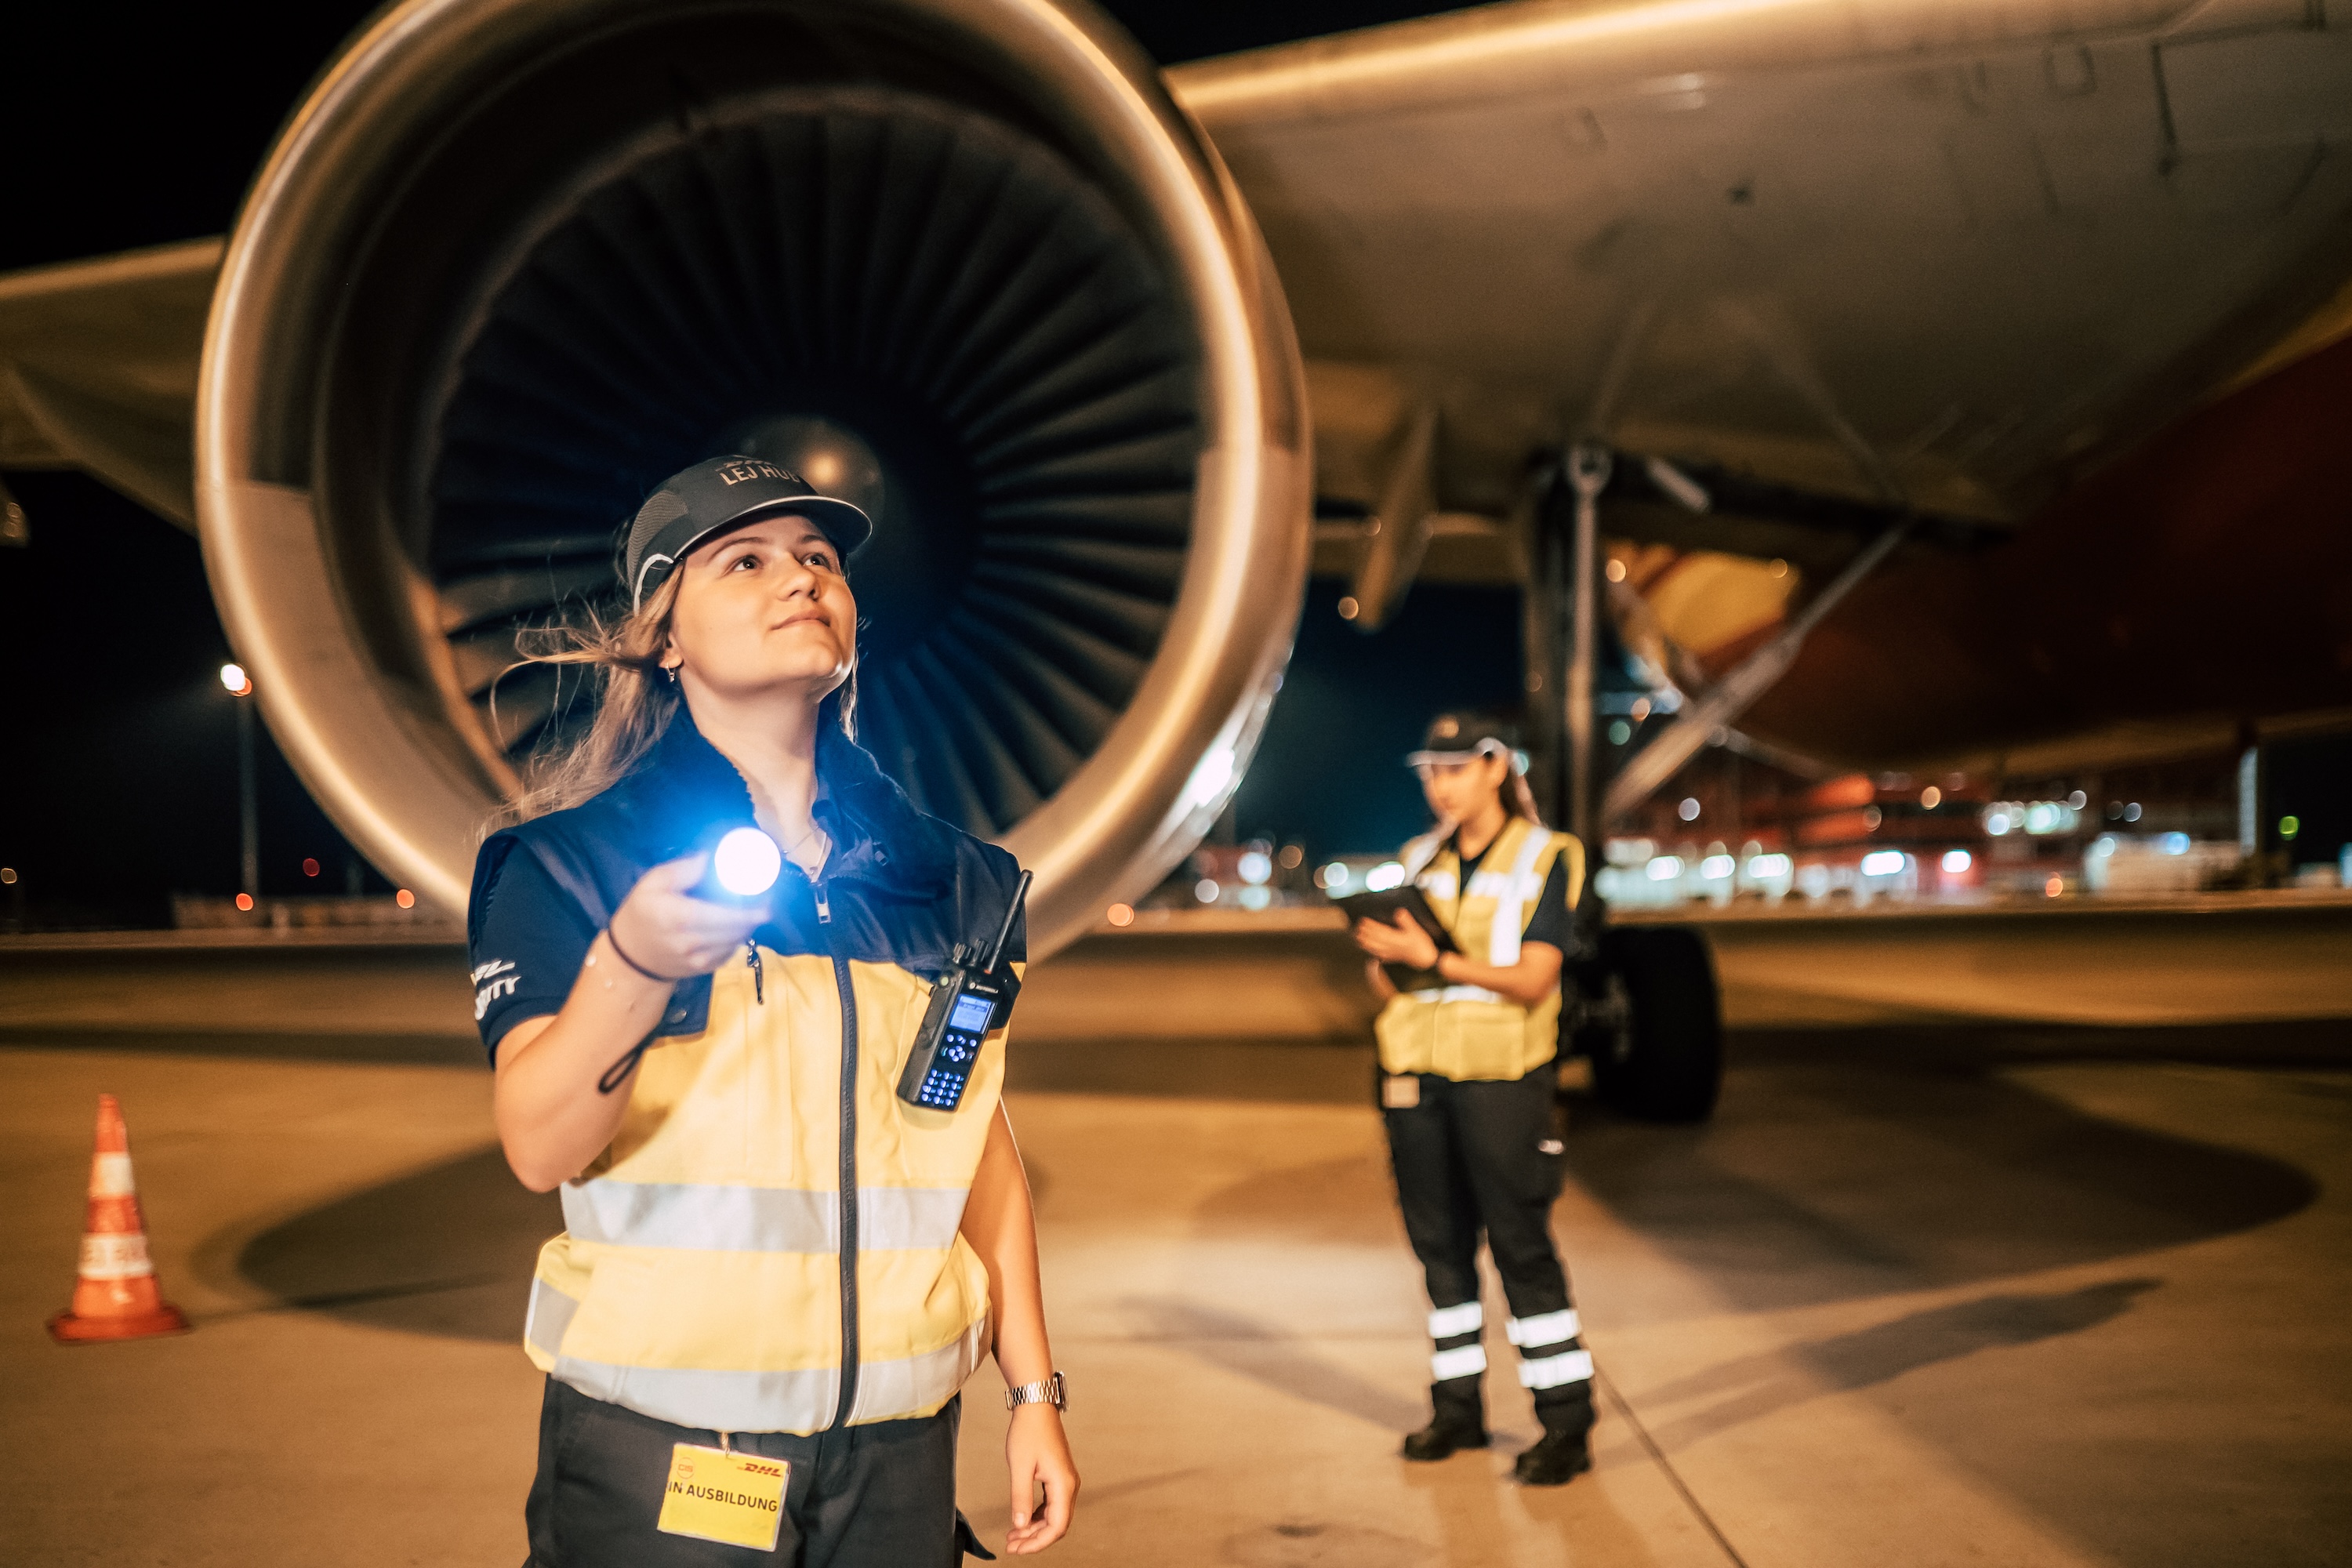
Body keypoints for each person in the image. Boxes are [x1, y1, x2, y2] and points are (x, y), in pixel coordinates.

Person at [466, 455, 1076, 1564]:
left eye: (820, 559)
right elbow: (539, 1142)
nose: (798, 578)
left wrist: (1034, 1389)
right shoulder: (564, 867)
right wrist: (634, 966)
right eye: (743, 560)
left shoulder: (957, 882)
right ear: (666, 637)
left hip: (898, 1458)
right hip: (672, 1459)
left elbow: (972, 1145)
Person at [1352, 713, 1595, 1486]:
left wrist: (1438, 957)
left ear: (1496, 766)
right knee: (1440, 1254)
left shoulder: (1547, 855)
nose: (1440, 785)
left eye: (1455, 768)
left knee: (1522, 1250)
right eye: (1430, 770)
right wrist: (1388, 960)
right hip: (1415, 1076)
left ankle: (1565, 1421)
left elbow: (1533, 978)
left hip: (1501, 1077)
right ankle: (1456, 1408)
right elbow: (1388, 983)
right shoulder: (1416, 856)